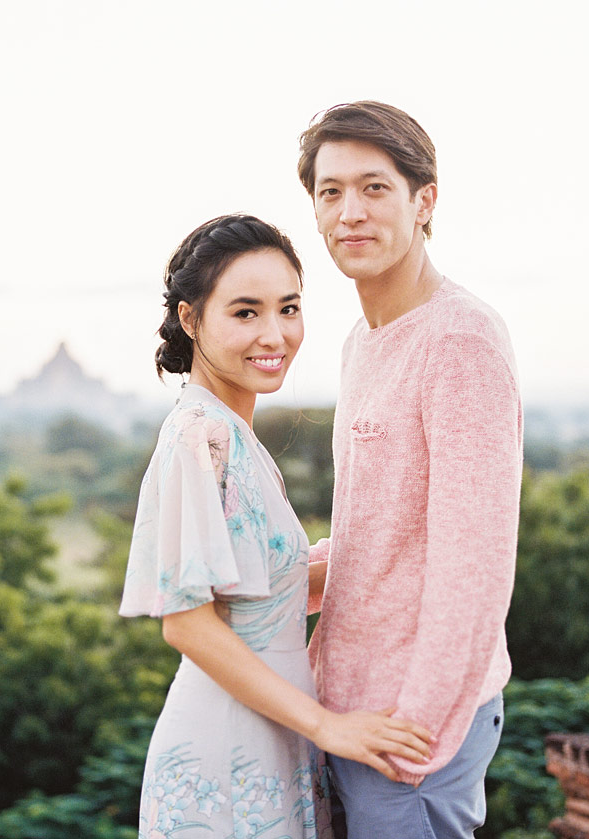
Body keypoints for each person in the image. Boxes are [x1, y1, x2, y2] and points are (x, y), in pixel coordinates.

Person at [120, 213, 433, 839]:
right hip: (226, 751)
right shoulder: (198, 436)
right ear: (190, 319)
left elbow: (260, 597)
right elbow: (188, 624)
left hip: (275, 735)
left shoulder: (235, 436)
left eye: (288, 308)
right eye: (245, 312)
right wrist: (329, 727)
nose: (275, 333)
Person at [297, 102, 523, 838]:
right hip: (349, 715)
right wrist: (271, 577)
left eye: (373, 188)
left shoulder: (459, 341)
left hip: (409, 736)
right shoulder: (363, 341)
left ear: (424, 200)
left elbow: (474, 568)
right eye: (330, 192)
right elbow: (381, 533)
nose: (349, 213)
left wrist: (416, 733)